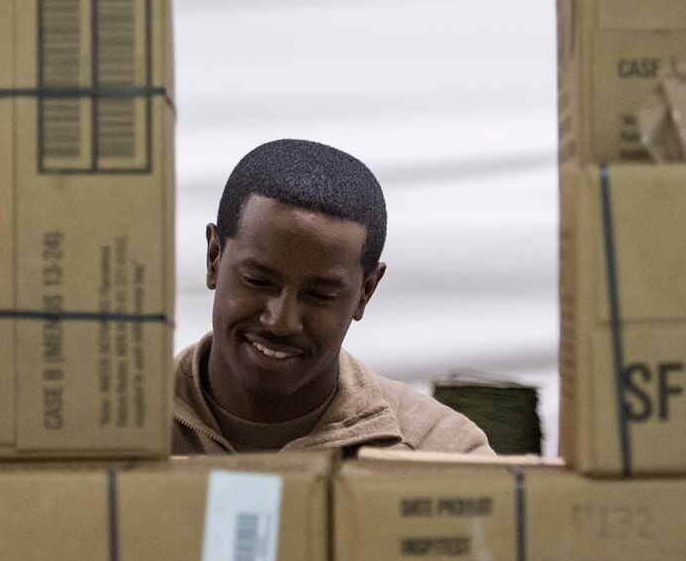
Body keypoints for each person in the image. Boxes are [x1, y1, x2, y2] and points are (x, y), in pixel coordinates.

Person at [171, 139, 491, 456]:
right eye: (259, 281)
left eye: (319, 295)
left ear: (365, 293)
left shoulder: (442, 457)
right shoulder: (124, 426)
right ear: (214, 258)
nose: (281, 322)